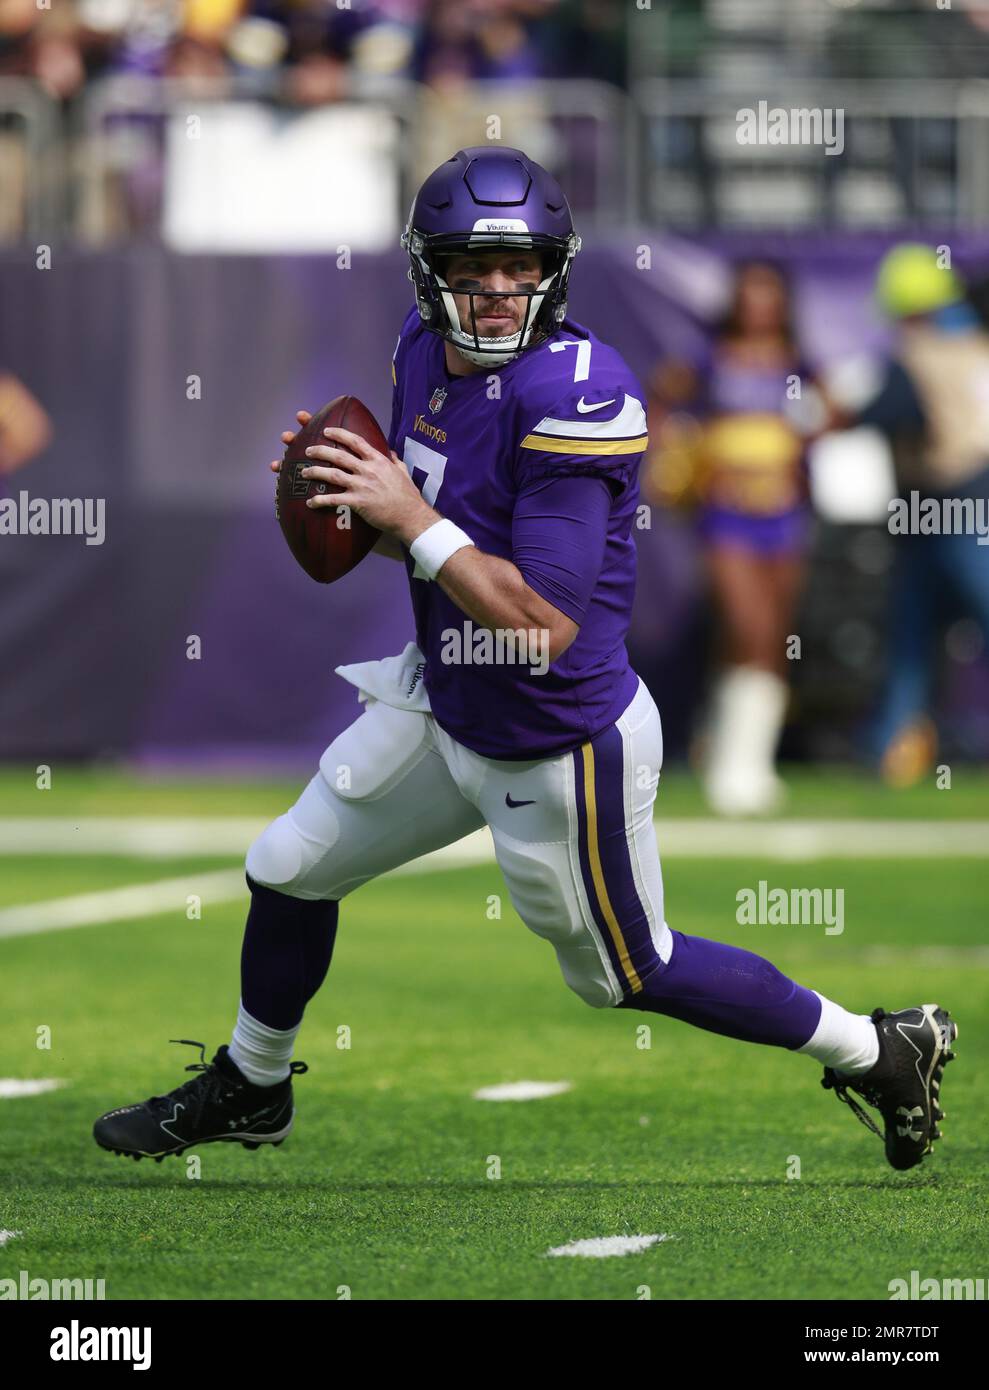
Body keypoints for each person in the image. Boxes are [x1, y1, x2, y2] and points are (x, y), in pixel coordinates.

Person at [93, 148, 956, 1173]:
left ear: (554, 268)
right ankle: (255, 1081)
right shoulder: (421, 350)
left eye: (520, 265)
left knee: (626, 972)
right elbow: (433, 529)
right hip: (446, 701)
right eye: (470, 265)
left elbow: (539, 619)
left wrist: (404, 516)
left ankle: (876, 1044)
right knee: (287, 867)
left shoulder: (575, 395)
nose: (497, 290)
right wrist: (353, 507)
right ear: (426, 271)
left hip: (554, 738)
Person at [647, 261, 815, 816]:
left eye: (769, 294)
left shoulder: (797, 362)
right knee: (747, 623)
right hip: (725, 512)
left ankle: (747, 760)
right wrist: (680, 456)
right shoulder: (709, 357)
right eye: (749, 294)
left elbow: (830, 411)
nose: (758, 305)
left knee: (771, 636)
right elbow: (662, 399)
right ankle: (731, 768)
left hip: (784, 513)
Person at [836, 243, 989, 785]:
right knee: (913, 636)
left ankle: (889, 751)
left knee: (911, 642)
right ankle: (890, 750)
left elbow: (886, 413)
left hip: (944, 505)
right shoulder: (975, 343)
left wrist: (839, 412)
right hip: (967, 502)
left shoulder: (917, 355)